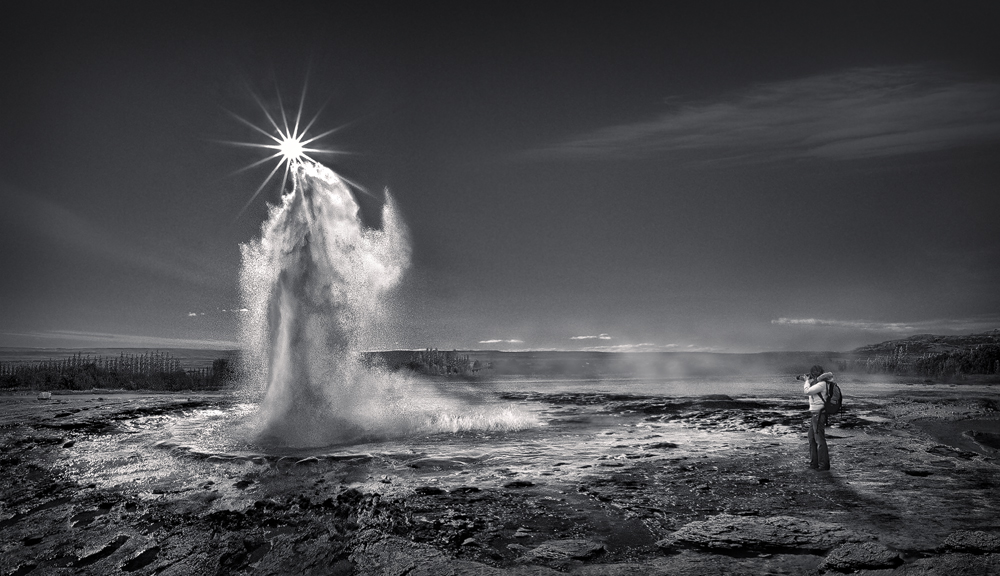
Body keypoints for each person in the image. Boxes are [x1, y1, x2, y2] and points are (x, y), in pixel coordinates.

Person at [801, 364, 834, 470]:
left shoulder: (822, 384)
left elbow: (807, 391)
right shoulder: (820, 383)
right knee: (811, 438)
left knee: (819, 440)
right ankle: (814, 463)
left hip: (819, 414)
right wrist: (808, 382)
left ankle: (824, 465)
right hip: (815, 414)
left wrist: (806, 381)